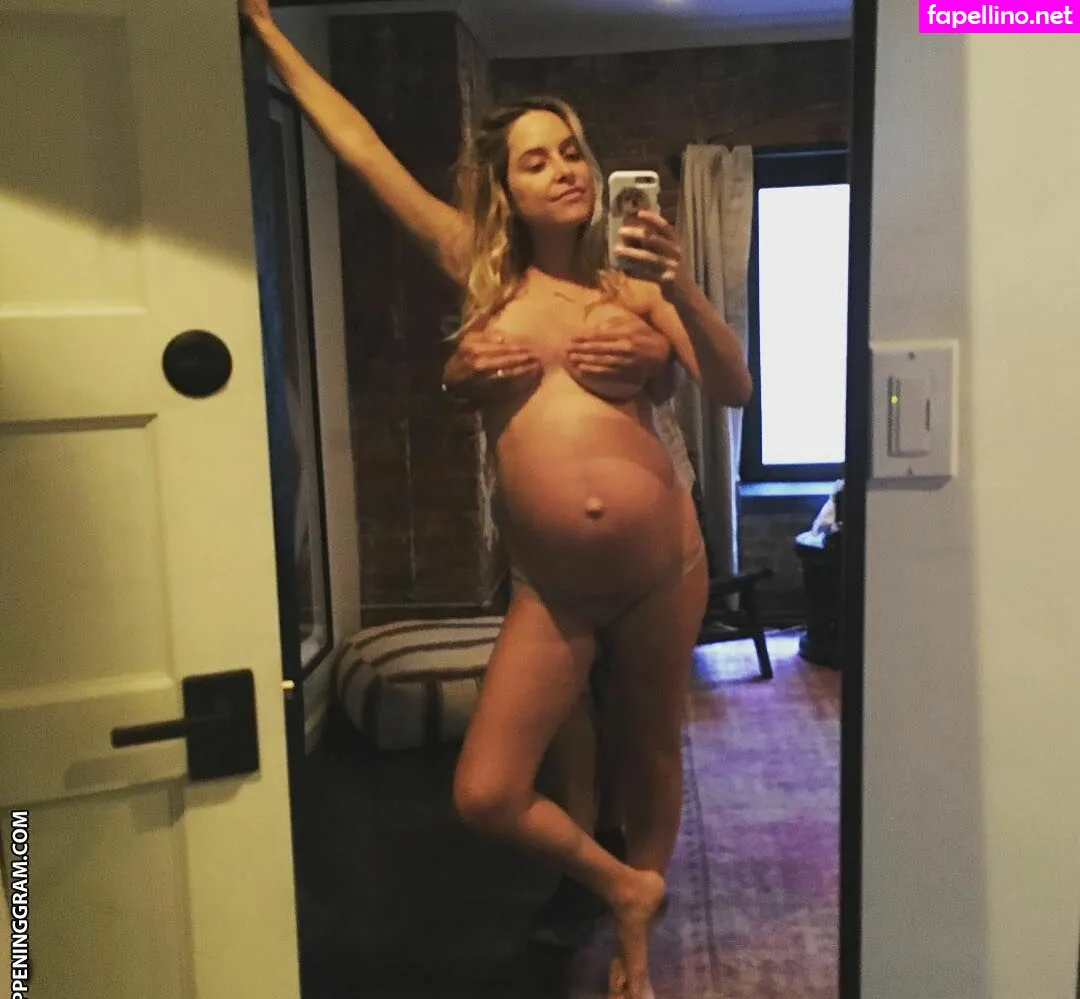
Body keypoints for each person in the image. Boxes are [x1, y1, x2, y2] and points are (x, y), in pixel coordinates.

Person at [240, 5, 751, 995]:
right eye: (536, 160)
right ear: (505, 191)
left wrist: (683, 287)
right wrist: (266, 31)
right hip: (553, 586)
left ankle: (635, 950)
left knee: (651, 748)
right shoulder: (477, 272)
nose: (564, 169)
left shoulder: (632, 286)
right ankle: (621, 884)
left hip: (661, 565)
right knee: (485, 789)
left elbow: (732, 390)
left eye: (572, 152)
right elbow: (363, 150)